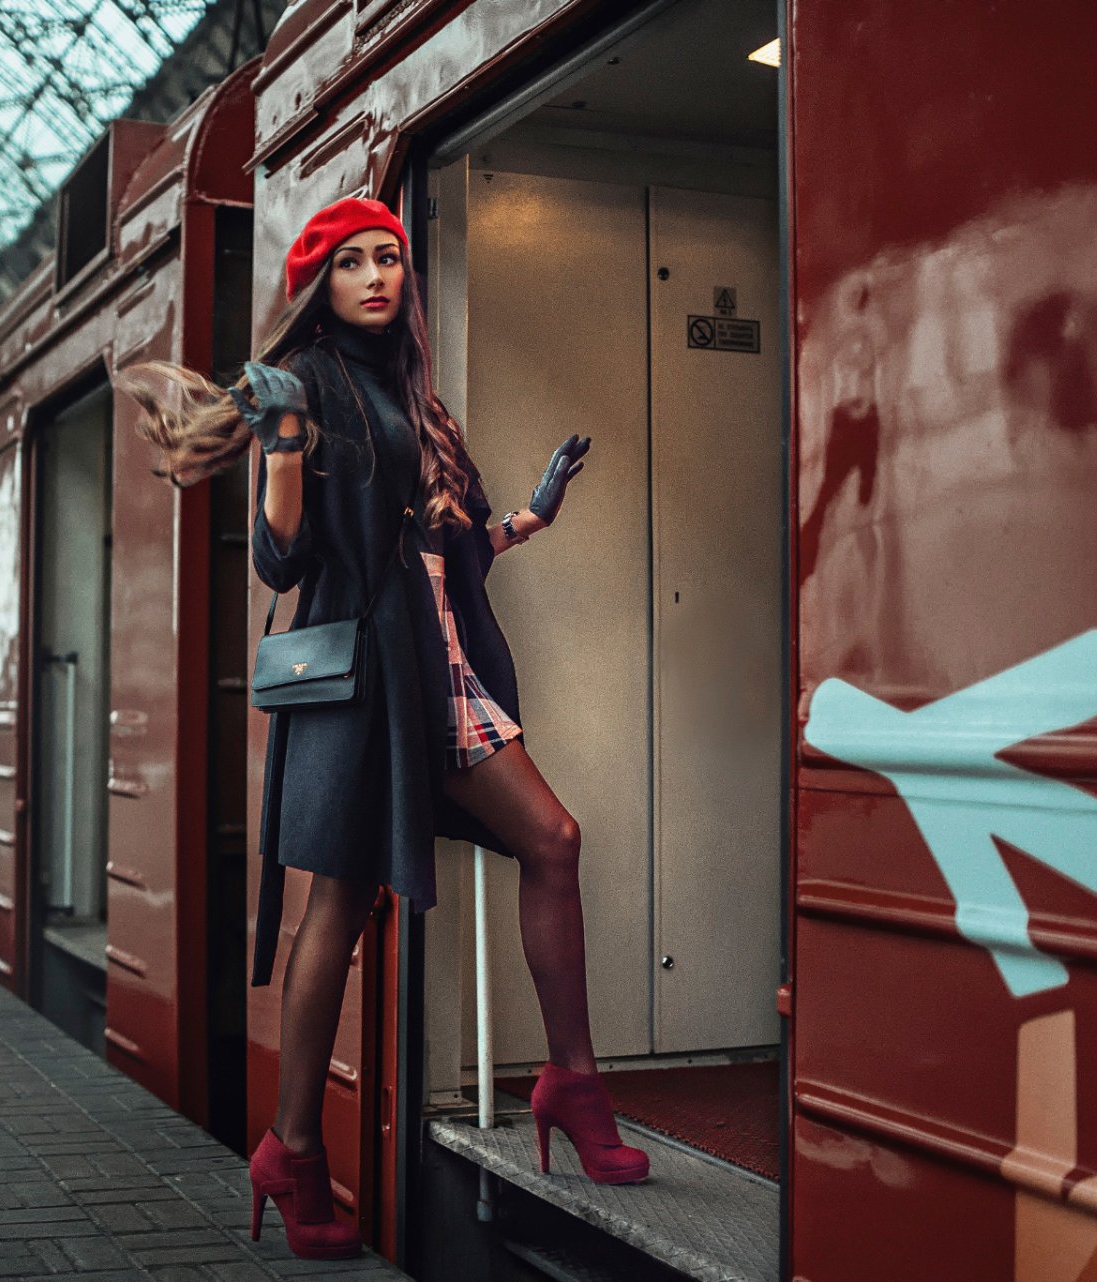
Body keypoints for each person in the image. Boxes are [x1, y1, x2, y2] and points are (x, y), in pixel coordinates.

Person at [119, 197, 642, 1261]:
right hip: (366, 686)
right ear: (321, 282)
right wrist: (280, 443)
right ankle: (293, 1147)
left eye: (389, 257)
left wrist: (526, 518)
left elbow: (451, 546)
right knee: (340, 906)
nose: (375, 275)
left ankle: (570, 1084)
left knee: (553, 840)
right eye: (352, 261)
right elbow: (283, 559)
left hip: (441, 672)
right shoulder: (307, 379)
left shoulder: (413, 392)